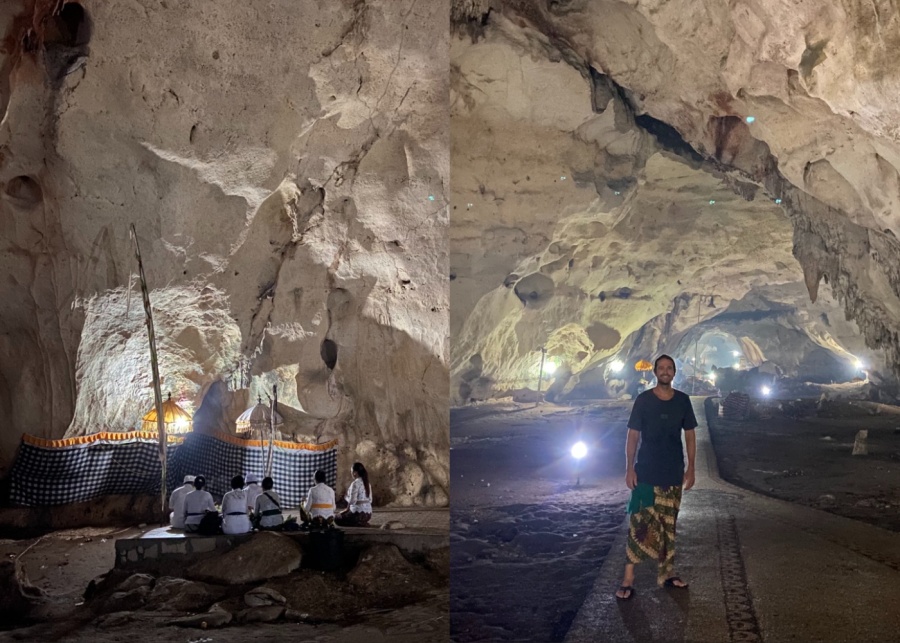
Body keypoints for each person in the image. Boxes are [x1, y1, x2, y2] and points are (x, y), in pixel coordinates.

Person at [616, 354, 697, 600]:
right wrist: (630, 468)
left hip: (672, 472)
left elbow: (691, 436)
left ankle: (667, 572)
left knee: (668, 526)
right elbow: (633, 436)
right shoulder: (643, 401)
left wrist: (691, 467)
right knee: (638, 525)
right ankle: (628, 578)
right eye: (661, 368)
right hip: (646, 472)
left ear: (674, 372)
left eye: (669, 368)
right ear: (655, 372)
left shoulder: (683, 401)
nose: (665, 371)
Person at [336, 462, 372, 526]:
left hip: (357, 514)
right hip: (368, 515)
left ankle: (357, 523)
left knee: (336, 518)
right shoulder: (367, 483)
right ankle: (361, 522)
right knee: (343, 515)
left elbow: (352, 501)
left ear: (355, 472)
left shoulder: (355, 483)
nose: (351, 473)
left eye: (351, 471)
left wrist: (345, 497)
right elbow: (370, 500)